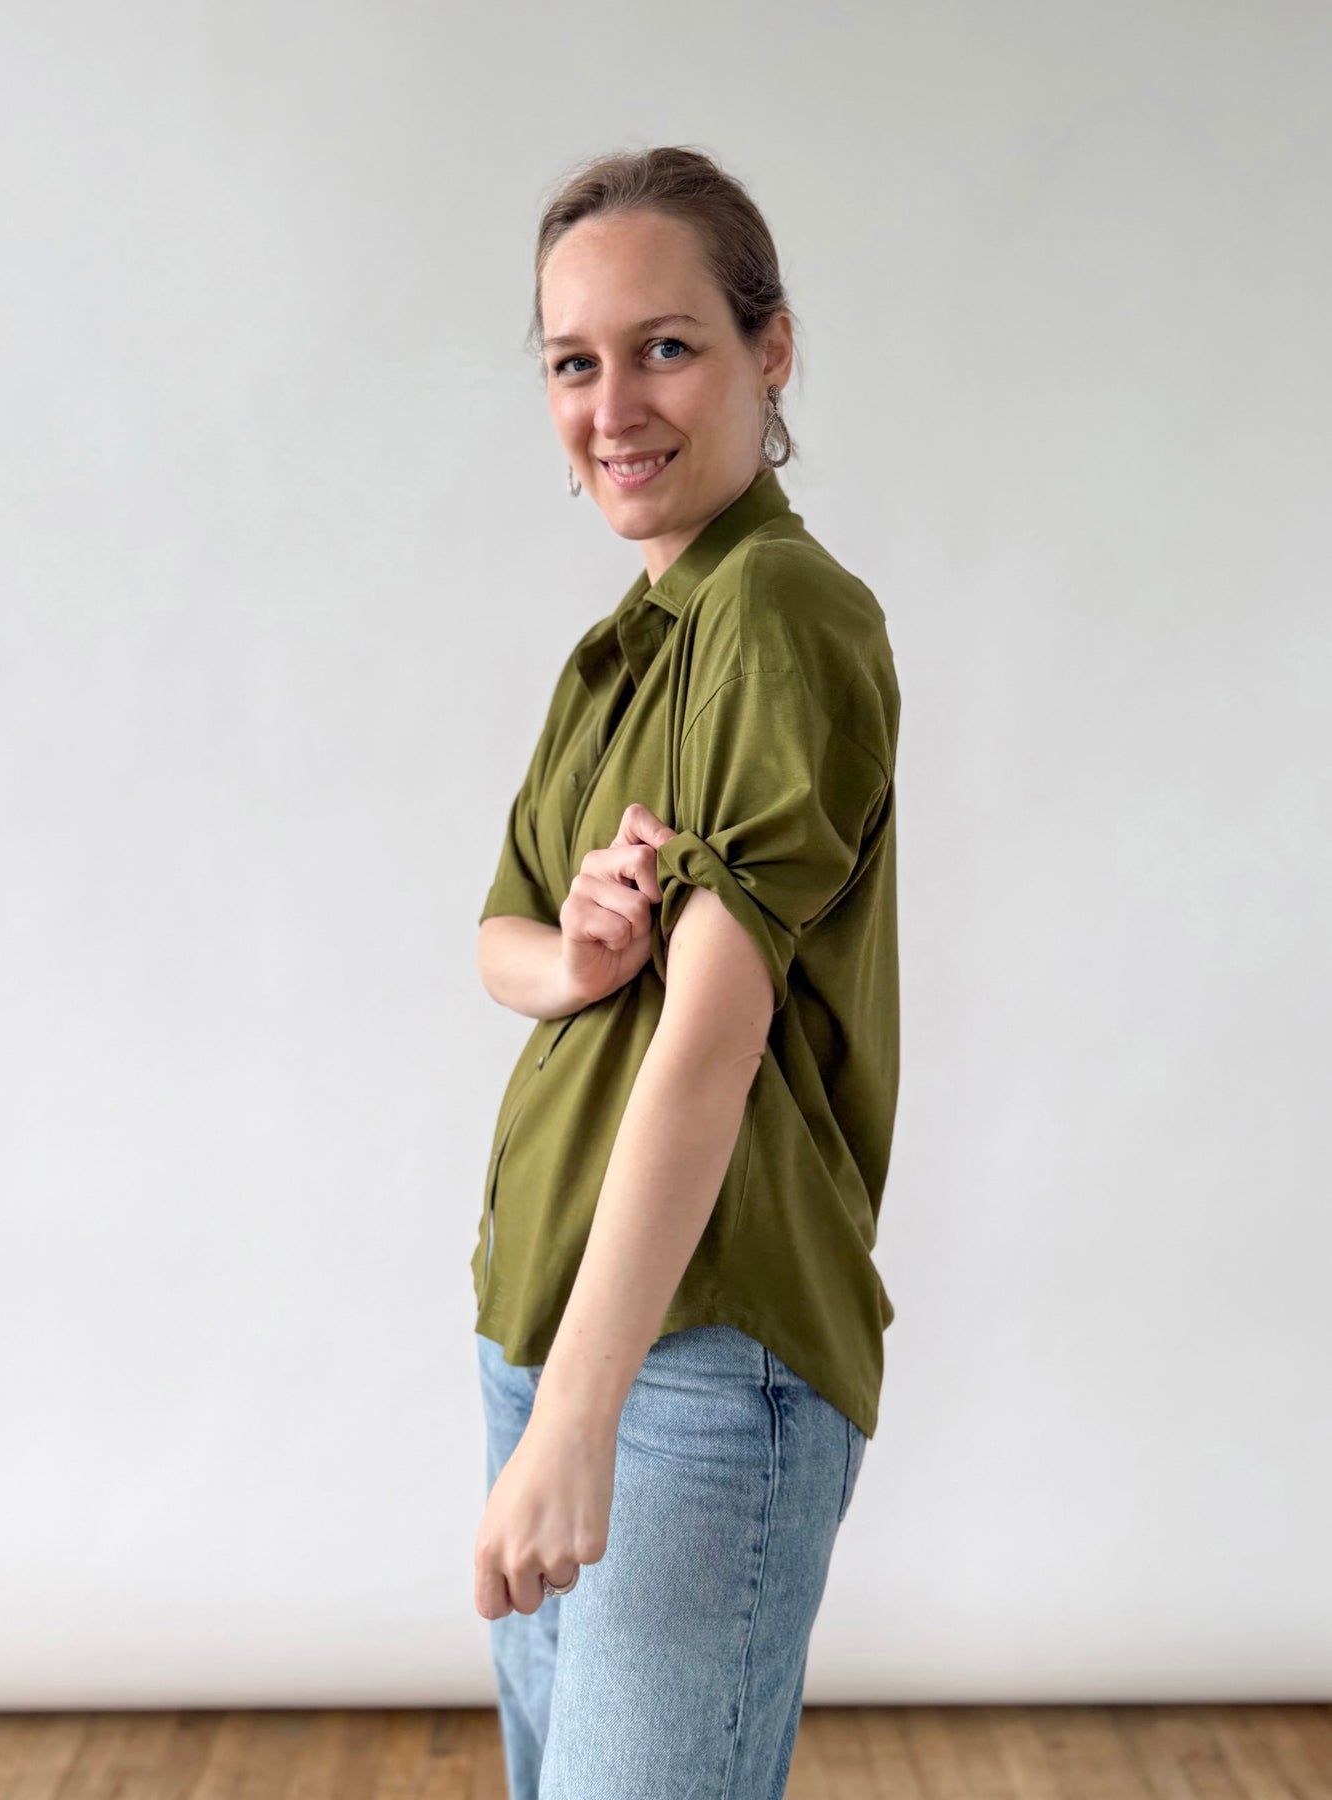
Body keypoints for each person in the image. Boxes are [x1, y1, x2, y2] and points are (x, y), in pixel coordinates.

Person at [470, 145, 902, 1800]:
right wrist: (579, 956)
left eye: (665, 347)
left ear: (768, 350)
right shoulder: (619, 650)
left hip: (688, 1360)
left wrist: (581, 1417)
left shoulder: (775, 612)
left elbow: (712, 1040)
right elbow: (498, 939)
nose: (612, 407)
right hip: (545, 1321)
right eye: (572, 362)